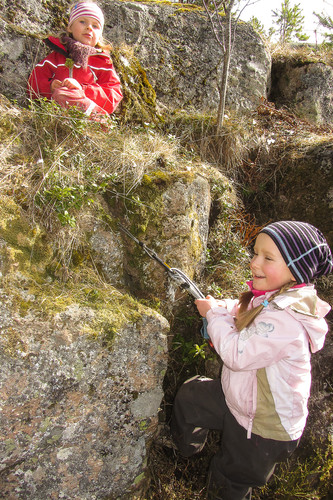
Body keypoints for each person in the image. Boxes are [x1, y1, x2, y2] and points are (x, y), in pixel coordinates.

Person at [170, 220, 332, 499]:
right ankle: (183, 452)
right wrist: (220, 306)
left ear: (297, 270)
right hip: (241, 401)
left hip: (264, 430)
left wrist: (212, 316)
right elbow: (245, 307)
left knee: (229, 478)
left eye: (268, 258)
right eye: (255, 253)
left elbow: (236, 355)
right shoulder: (273, 297)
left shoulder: (287, 323)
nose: (255, 263)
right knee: (191, 396)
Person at [27, 1, 123, 122]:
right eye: (82, 22)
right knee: (62, 94)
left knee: (67, 95)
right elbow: (33, 83)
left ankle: (98, 124)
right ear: (70, 27)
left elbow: (113, 95)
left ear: (100, 35)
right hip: (58, 117)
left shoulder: (102, 62)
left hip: (93, 114)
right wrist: (50, 86)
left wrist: (82, 90)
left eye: (95, 26)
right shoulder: (55, 58)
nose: (89, 28)